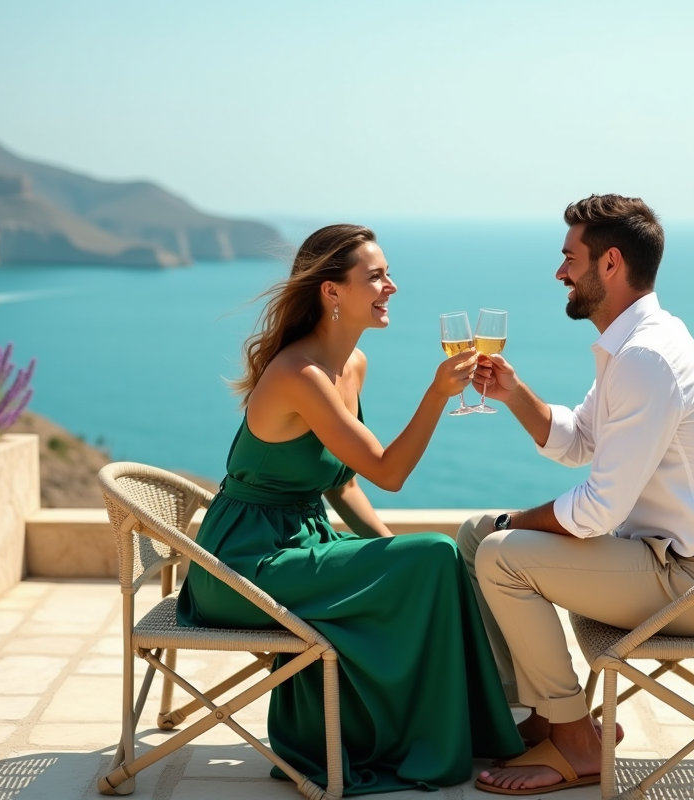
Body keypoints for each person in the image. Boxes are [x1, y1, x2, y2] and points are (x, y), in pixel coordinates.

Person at [177, 224, 523, 794]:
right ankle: (446, 737)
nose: (392, 286)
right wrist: (437, 394)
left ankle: (470, 728)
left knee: (433, 563)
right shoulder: (300, 375)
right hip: (240, 565)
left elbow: (343, 484)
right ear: (331, 292)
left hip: (298, 543)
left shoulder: (351, 366)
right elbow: (386, 472)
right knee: (434, 552)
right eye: (377, 276)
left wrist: (387, 552)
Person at [459, 195, 694, 794]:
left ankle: (576, 742)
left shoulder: (646, 357)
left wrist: (513, 521)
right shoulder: (635, 345)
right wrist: (516, 394)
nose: (560, 272)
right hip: (664, 562)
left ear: (610, 263)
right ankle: (544, 713)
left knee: (499, 553)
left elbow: (596, 512)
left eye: (570, 257)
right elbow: (579, 440)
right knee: (475, 534)